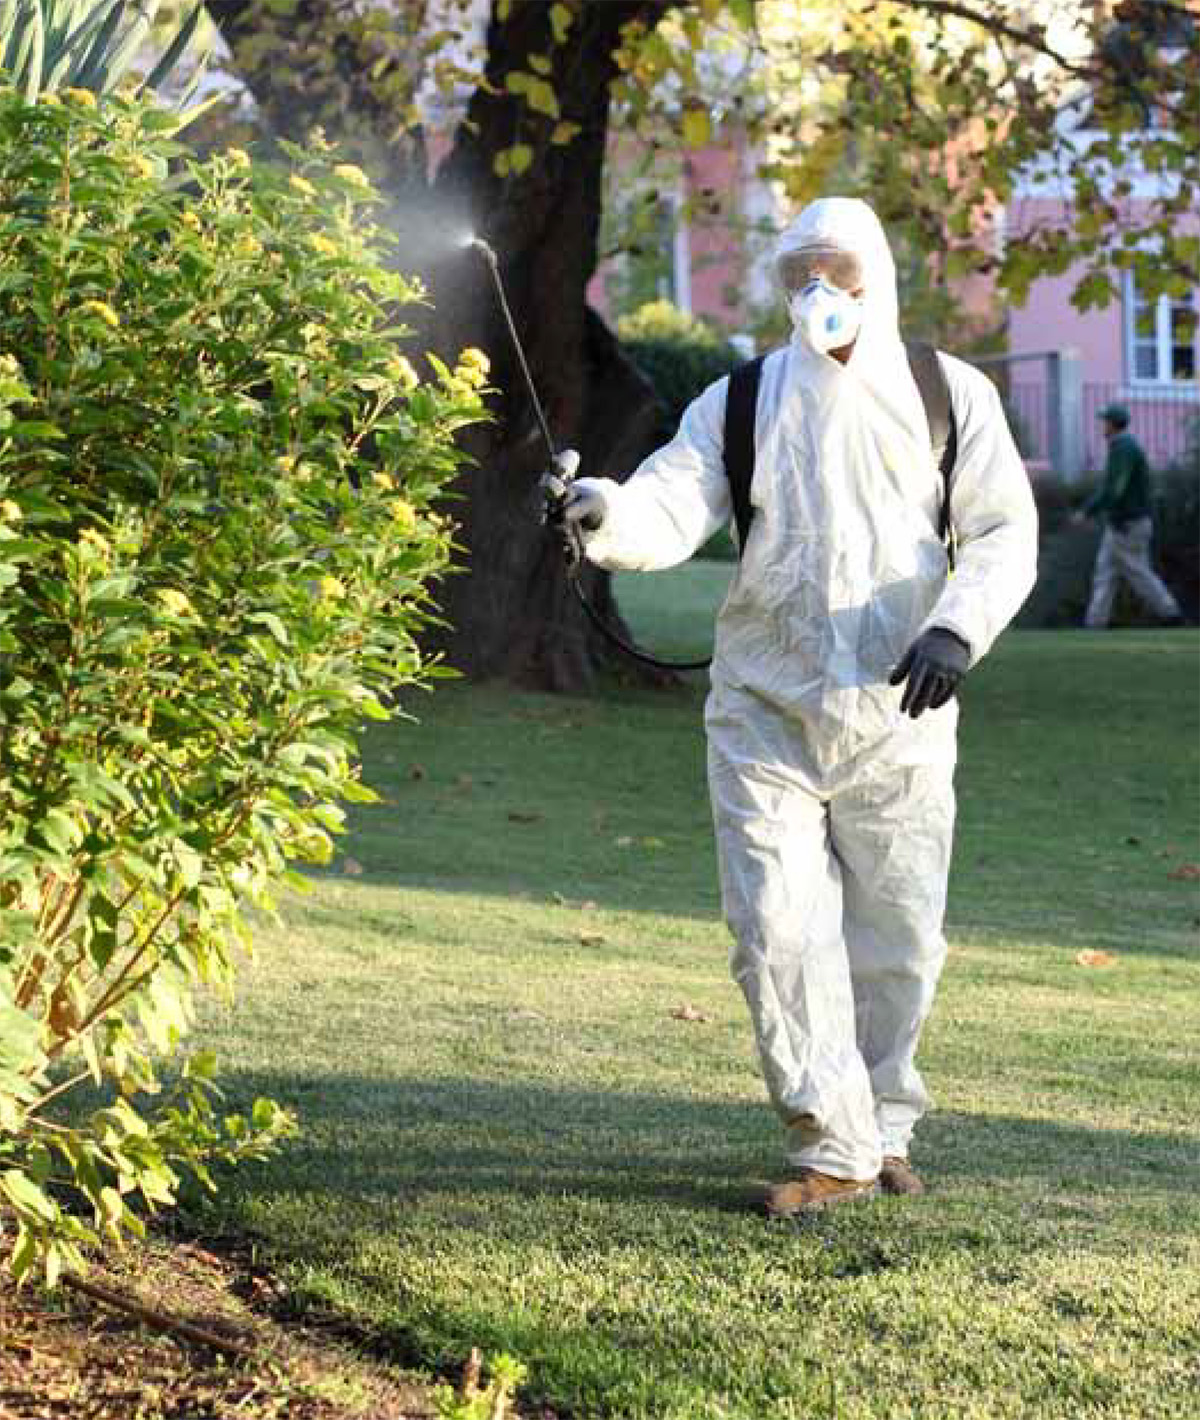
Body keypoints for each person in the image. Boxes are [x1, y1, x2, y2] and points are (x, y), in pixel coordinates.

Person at [559, 197, 1038, 1215]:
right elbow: (674, 499)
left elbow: (1003, 531)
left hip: (898, 711)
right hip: (764, 706)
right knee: (775, 927)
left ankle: (886, 1124)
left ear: (879, 276)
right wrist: (606, 512)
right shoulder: (741, 401)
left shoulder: (945, 394)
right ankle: (832, 1142)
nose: (822, 294)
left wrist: (957, 627)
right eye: (802, 273)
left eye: (842, 273)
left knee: (899, 937)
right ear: (782, 283)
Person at [1074, 404, 1183, 629]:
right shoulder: (1123, 446)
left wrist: (1087, 511)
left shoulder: (1123, 448)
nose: (1101, 425)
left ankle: (1170, 612)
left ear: (1112, 424)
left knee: (1136, 572)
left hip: (1128, 524)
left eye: (1104, 421)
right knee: (1105, 572)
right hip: (1123, 524)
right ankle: (1095, 622)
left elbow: (1114, 489)